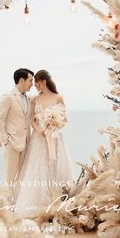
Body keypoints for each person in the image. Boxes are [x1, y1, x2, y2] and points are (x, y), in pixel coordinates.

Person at [14, 69, 74, 217]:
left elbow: (65, 119)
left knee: (56, 165)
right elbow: (31, 120)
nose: (35, 86)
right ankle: (37, 204)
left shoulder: (58, 98)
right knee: (38, 167)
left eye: (37, 83)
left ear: (44, 82)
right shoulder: (35, 99)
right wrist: (39, 130)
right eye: (33, 83)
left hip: (55, 137)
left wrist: (55, 125)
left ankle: (58, 200)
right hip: (39, 138)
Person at [0, 68, 34, 198]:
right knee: (9, 178)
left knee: (21, 176)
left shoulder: (28, 98)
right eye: (30, 80)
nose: (32, 84)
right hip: (12, 142)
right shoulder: (8, 97)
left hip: (26, 142)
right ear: (21, 80)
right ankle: (6, 206)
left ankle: (16, 203)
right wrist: (5, 140)